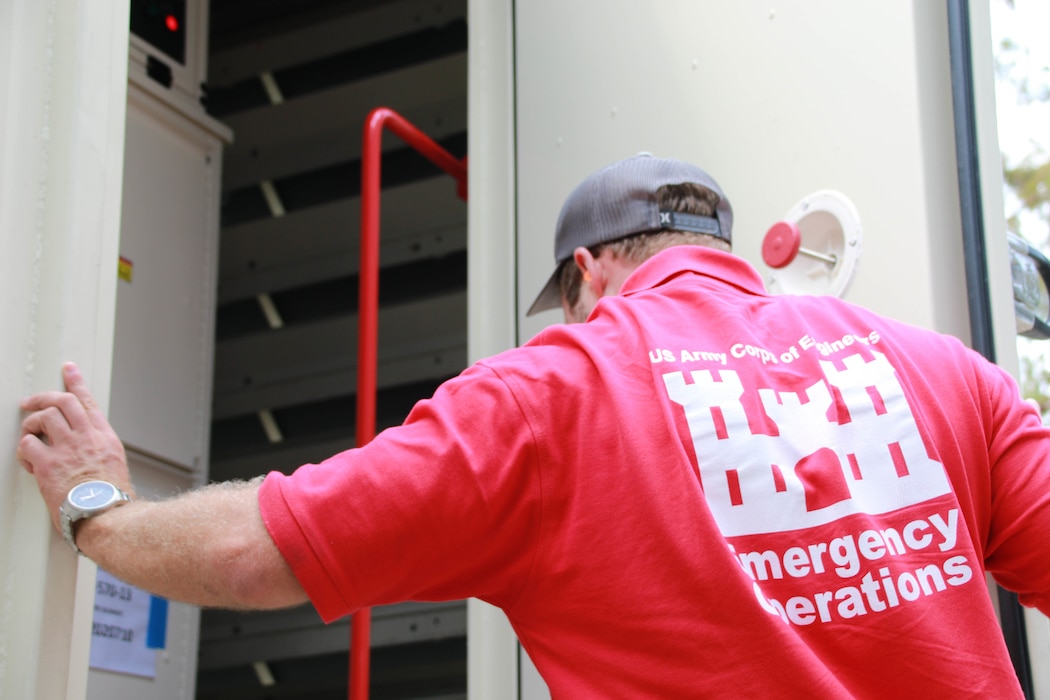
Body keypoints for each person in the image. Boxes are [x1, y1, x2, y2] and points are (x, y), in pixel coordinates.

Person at [18, 153, 1050, 698]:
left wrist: (96, 507)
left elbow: (257, 553)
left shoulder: (549, 395)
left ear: (588, 275)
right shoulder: (939, 372)